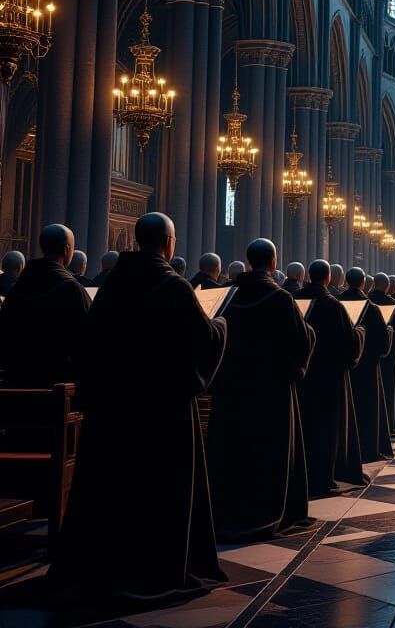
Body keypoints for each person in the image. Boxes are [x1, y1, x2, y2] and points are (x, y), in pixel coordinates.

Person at [51, 213, 227, 602]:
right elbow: (203, 339)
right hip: (162, 413)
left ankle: (109, 561)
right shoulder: (174, 287)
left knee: (115, 488)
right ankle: (154, 564)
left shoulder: (111, 285)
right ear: (168, 242)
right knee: (158, 491)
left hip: (114, 411)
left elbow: (87, 345)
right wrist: (222, 327)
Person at [206, 238, 315, 540]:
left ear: (248, 261)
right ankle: (266, 510)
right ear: (273, 263)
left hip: (232, 390)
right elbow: (300, 343)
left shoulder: (228, 296)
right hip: (270, 392)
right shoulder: (280, 299)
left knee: (233, 450)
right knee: (267, 453)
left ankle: (227, 509)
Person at [296, 259, 367, 494]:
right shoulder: (333, 305)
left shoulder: (295, 301)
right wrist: (360, 332)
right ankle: (323, 475)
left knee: (304, 425)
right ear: (328, 278)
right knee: (326, 427)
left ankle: (302, 472)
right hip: (328, 378)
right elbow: (349, 345)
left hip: (303, 378)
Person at [0, 225, 90, 386]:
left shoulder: (17, 290)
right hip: (59, 386)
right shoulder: (73, 290)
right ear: (67, 249)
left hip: (17, 381)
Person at [338, 267, 394, 462]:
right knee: (367, 410)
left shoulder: (336, 304)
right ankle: (367, 448)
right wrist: (389, 332)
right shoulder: (372, 309)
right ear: (363, 283)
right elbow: (383, 346)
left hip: (342, 370)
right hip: (368, 370)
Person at [368, 272, 395, 435]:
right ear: (387, 287)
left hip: (366, 356)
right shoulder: (392, 304)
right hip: (389, 356)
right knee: (389, 390)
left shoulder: (367, 301)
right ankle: (389, 426)